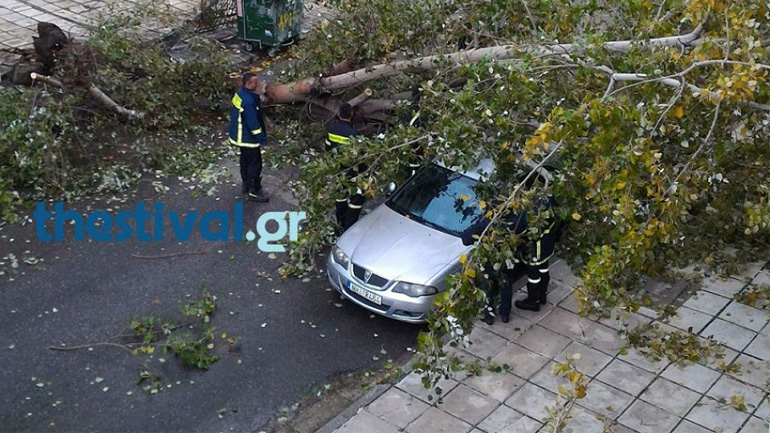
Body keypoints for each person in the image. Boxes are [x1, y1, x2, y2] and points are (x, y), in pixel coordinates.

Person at [461, 204, 527, 325]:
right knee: (506, 285)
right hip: (507, 261)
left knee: (487, 288)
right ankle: (505, 314)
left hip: (488, 262)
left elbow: (466, 239)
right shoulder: (515, 221)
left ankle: (488, 316)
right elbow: (523, 238)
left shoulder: (485, 223)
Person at [514, 176, 559, 312]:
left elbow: (520, 229)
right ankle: (542, 295)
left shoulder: (528, 214)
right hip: (547, 244)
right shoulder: (547, 202)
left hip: (534, 250)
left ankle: (533, 301)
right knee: (544, 269)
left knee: (534, 277)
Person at [229, 72, 269, 203]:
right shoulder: (249, 101)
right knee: (254, 164)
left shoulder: (240, 94)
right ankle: (254, 191)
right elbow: (253, 123)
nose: (258, 85)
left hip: (239, 136)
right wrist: (261, 138)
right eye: (255, 83)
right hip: (248, 138)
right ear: (249, 84)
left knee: (245, 161)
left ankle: (246, 185)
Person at [325, 103, 364, 230]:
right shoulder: (352, 134)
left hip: (336, 169)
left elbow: (327, 148)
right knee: (356, 197)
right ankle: (349, 226)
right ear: (351, 114)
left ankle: (340, 222)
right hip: (350, 171)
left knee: (340, 196)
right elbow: (358, 155)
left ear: (338, 114)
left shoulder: (331, 129)